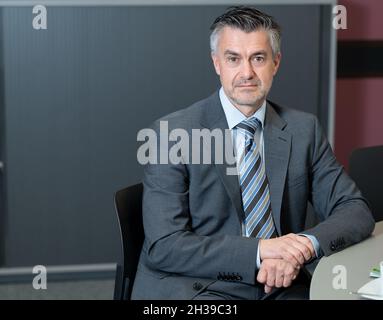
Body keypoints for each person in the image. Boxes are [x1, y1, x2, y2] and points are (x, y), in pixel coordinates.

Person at [131, 6, 375, 300]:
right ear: (216, 63)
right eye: (233, 58)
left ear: (276, 63)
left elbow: (354, 209)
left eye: (258, 58)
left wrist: (303, 246)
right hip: (200, 285)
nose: (246, 73)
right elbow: (165, 245)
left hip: (282, 280)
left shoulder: (303, 129)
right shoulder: (172, 134)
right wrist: (262, 250)